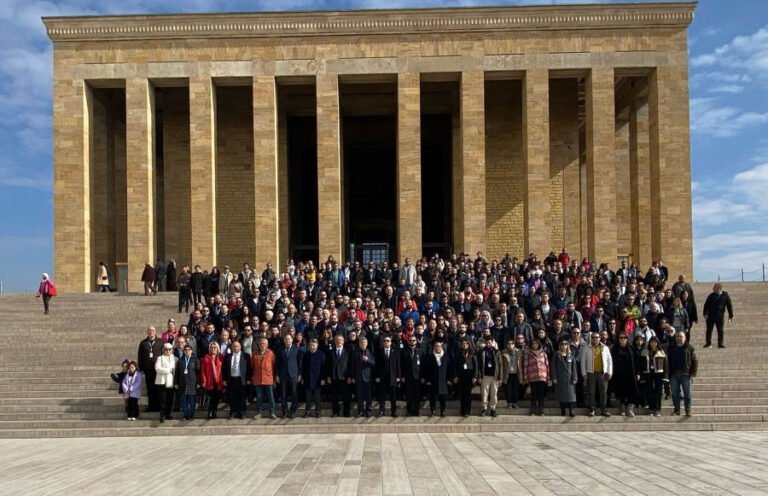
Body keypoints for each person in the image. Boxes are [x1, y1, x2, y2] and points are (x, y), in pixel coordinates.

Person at [581, 331, 613, 417]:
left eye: (597, 337)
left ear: (600, 338)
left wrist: (609, 372)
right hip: (591, 373)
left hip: (603, 373)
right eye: (593, 337)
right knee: (591, 392)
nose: (595, 339)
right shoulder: (586, 348)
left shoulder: (605, 348)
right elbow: (583, 361)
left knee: (603, 392)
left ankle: (604, 410)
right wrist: (584, 373)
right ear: (591, 339)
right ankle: (592, 409)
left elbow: (609, 361)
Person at [668, 330, 698, 416]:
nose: (679, 338)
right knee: (675, 393)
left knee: (687, 393)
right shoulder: (672, 347)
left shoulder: (689, 347)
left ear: (685, 338)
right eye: (677, 336)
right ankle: (676, 409)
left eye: (681, 336)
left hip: (686, 373)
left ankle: (688, 410)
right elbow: (668, 360)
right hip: (674, 374)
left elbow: (694, 360)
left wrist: (693, 372)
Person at [611, 334, 640, 417]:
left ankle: (630, 408)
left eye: (625, 338)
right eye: (621, 337)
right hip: (619, 374)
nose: (623, 339)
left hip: (631, 374)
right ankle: (622, 408)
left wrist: (638, 373)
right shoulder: (615, 349)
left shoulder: (632, 348)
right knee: (621, 391)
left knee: (632, 390)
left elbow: (637, 361)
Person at [477, 335, 505, 417]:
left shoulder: (497, 352)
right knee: (484, 393)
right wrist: (479, 376)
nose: (488, 343)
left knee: (494, 393)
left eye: (490, 342)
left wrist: (500, 377)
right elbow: (479, 365)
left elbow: (500, 365)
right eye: (487, 342)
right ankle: (484, 408)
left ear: (492, 342)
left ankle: (493, 409)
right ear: (485, 343)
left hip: (494, 376)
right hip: (485, 375)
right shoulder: (481, 351)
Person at [422, 341, 453, 417]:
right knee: (432, 397)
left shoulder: (446, 356)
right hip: (432, 380)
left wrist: (449, 379)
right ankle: (432, 410)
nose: (438, 347)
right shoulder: (430, 357)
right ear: (433, 347)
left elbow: (450, 369)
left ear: (441, 347)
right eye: (436, 346)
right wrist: (427, 380)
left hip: (443, 380)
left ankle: (443, 411)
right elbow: (426, 369)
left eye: (439, 346)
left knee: (443, 397)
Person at [137, 326, 164, 413]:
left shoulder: (160, 342)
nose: (151, 332)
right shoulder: (143, 343)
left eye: (152, 330)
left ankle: (159, 406)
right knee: (150, 389)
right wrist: (141, 367)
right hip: (148, 370)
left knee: (158, 388)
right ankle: (151, 406)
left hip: (158, 370)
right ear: (147, 332)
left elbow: (163, 354)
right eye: (149, 330)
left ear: (155, 332)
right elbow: (140, 356)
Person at [640, 336, 668, 416]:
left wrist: (665, 376)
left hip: (659, 373)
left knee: (658, 392)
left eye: (655, 342)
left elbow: (666, 365)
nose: (653, 344)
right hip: (648, 373)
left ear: (657, 343)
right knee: (649, 391)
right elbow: (641, 365)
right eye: (652, 342)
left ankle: (657, 409)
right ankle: (651, 409)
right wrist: (641, 376)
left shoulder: (661, 352)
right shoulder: (645, 352)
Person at [520, 338, 549, 416]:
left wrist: (548, 376)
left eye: (536, 344)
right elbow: (525, 365)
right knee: (534, 394)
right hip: (532, 376)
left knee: (541, 394)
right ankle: (533, 410)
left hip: (542, 376)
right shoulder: (527, 353)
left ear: (538, 344)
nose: (534, 345)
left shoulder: (543, 353)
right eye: (533, 344)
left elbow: (547, 365)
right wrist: (525, 377)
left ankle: (541, 410)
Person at [223, 341, 250, 419]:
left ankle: (243, 412)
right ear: (231, 347)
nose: (235, 348)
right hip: (231, 379)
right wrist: (224, 379)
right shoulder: (227, 356)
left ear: (240, 347)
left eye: (237, 346)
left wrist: (248, 378)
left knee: (242, 396)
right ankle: (233, 412)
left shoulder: (246, 356)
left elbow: (249, 368)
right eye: (234, 346)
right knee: (232, 396)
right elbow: (224, 369)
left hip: (241, 379)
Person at [251, 337, 277, 419]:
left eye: (264, 343)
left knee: (271, 396)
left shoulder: (271, 353)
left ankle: (272, 412)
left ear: (267, 345)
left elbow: (274, 366)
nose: (262, 345)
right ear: (258, 344)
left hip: (268, 378)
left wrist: (275, 379)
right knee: (259, 397)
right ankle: (259, 412)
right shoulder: (254, 354)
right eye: (261, 343)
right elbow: (252, 366)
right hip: (258, 378)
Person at [702, 283, 734, 349]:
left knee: (720, 330)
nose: (713, 288)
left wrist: (730, 316)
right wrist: (705, 313)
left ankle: (720, 344)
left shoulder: (725, 296)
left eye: (714, 287)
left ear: (719, 288)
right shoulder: (711, 296)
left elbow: (729, 306)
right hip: (710, 316)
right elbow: (706, 305)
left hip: (720, 316)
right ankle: (708, 343)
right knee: (709, 330)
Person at [350, 336, 376, 417]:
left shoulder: (370, 352)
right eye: (361, 343)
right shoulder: (355, 353)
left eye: (364, 342)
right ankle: (360, 411)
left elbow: (374, 363)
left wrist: (367, 360)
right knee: (360, 395)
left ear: (367, 343)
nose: (363, 344)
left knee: (368, 395)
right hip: (358, 377)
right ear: (359, 344)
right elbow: (352, 366)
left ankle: (368, 410)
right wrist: (353, 377)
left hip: (368, 377)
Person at [551, 340, 577, 417]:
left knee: (571, 395)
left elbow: (574, 367)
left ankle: (571, 410)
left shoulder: (571, 354)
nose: (564, 345)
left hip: (569, 378)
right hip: (560, 377)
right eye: (562, 344)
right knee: (561, 395)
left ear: (568, 345)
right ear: (560, 345)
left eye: (566, 344)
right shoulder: (557, 354)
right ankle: (562, 410)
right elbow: (553, 366)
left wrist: (575, 377)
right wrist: (554, 377)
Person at [327, 334, 352, 418]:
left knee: (346, 396)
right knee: (334, 396)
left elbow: (350, 365)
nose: (339, 341)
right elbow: (328, 365)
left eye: (340, 340)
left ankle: (346, 412)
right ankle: (335, 412)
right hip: (333, 377)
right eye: (337, 340)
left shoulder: (348, 351)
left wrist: (350, 376)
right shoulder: (331, 351)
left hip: (344, 377)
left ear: (343, 341)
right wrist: (328, 376)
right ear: (334, 341)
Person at [375, 336, 400, 417]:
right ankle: (382, 411)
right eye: (385, 340)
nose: (386, 342)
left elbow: (398, 364)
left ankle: (394, 411)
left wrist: (398, 376)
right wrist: (377, 376)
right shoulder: (379, 352)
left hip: (392, 377)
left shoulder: (395, 352)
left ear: (391, 342)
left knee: (393, 396)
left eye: (388, 341)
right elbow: (377, 366)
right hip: (382, 377)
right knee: (382, 395)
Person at [277, 334, 301, 419]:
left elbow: (299, 362)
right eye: (286, 339)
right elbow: (278, 363)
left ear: (292, 339)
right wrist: (277, 375)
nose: (287, 340)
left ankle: (293, 411)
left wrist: (299, 374)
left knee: (294, 394)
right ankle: (285, 411)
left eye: (289, 339)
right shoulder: (280, 349)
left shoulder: (296, 349)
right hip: (283, 375)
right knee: (283, 394)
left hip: (293, 374)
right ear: (284, 340)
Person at [302, 339, 326, 417]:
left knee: (317, 397)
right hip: (308, 378)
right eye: (311, 345)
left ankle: (318, 411)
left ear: (317, 345)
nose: (312, 346)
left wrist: (323, 378)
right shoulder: (306, 354)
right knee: (308, 397)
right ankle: (307, 411)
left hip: (317, 379)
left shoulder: (321, 354)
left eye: (314, 345)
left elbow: (323, 367)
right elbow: (303, 367)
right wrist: (302, 378)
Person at [200, 341, 224, 419]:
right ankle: (210, 412)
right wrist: (204, 381)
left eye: (215, 347)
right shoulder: (205, 358)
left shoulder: (221, 357)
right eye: (212, 347)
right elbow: (203, 370)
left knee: (217, 398)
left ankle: (214, 411)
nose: (213, 349)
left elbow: (223, 369)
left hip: (219, 380)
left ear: (217, 348)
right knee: (211, 398)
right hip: (210, 381)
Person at [174, 344, 199, 420]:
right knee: (184, 400)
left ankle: (191, 415)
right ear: (183, 351)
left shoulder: (195, 360)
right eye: (185, 350)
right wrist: (176, 383)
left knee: (192, 401)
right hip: (183, 383)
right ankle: (185, 415)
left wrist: (198, 383)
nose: (187, 351)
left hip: (192, 383)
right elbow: (177, 372)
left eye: (189, 350)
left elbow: (198, 372)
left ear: (191, 351)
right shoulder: (180, 360)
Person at [401, 334, 423, 417]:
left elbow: (423, 365)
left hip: (418, 377)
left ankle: (417, 411)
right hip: (408, 377)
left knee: (417, 395)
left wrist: (423, 377)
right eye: (410, 340)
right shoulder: (404, 351)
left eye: (413, 340)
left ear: (416, 341)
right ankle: (409, 411)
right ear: (408, 341)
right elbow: (401, 365)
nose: (412, 342)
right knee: (409, 395)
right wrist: (402, 376)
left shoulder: (420, 351)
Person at [155, 342, 177, 422]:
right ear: (163, 350)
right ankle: (162, 415)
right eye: (166, 349)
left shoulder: (174, 358)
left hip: (171, 382)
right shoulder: (160, 358)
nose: (168, 351)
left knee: (171, 399)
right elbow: (157, 368)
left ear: (172, 350)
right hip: (162, 382)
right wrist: (168, 370)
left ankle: (169, 414)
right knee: (163, 399)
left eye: (169, 349)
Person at [455, 338, 478, 417]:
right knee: (462, 395)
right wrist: (455, 376)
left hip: (469, 377)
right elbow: (455, 366)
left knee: (468, 395)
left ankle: (467, 411)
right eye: (463, 344)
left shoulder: (472, 354)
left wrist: (475, 376)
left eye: (466, 344)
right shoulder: (458, 354)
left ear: (469, 345)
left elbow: (476, 366)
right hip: (461, 376)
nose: (465, 345)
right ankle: (462, 410)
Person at [501, 337, 524, 409]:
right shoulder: (503, 352)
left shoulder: (519, 352)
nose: (510, 345)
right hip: (507, 374)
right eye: (508, 344)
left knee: (516, 389)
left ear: (514, 344)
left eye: (512, 343)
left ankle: (515, 403)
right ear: (507, 345)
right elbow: (501, 364)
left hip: (516, 373)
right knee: (508, 389)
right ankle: (509, 403)